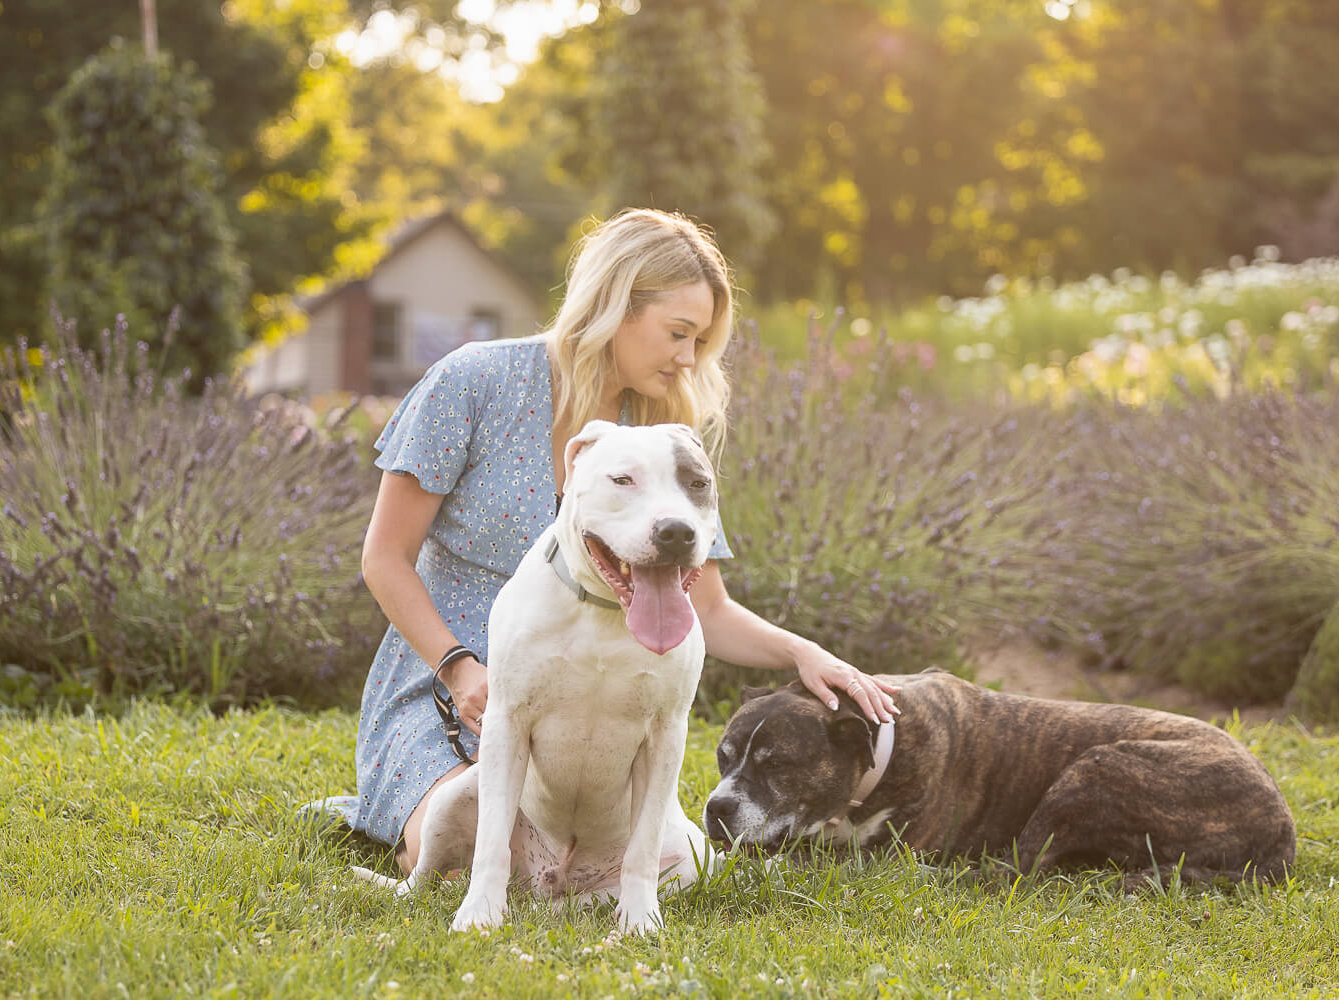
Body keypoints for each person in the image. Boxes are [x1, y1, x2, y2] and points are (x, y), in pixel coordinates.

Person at [312, 208, 901, 874]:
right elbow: (384, 559)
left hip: (591, 714)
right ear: (617, 307)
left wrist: (802, 653)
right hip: (448, 688)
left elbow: (704, 608)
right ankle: (409, 802)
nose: (688, 359)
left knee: (639, 864)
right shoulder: (472, 382)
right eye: (678, 334)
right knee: (466, 847)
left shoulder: (662, 435)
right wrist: (459, 666)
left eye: (700, 342)